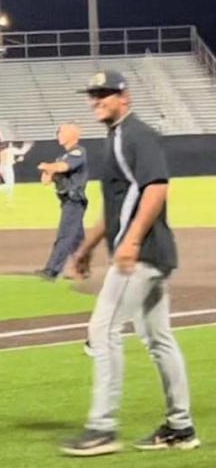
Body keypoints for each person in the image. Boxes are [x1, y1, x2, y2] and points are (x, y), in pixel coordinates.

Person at [60, 70, 200, 456]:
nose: (96, 100)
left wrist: (132, 240)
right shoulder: (116, 138)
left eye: (104, 93)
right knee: (158, 339)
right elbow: (114, 208)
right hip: (152, 255)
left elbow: (157, 187)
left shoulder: (134, 134)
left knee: (102, 330)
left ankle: (102, 428)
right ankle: (181, 427)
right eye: (93, 94)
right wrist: (86, 249)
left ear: (125, 95)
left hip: (140, 255)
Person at [35, 124, 88, 280]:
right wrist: (49, 171)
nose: (58, 135)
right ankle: (82, 270)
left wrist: (49, 167)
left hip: (74, 200)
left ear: (72, 135)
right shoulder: (61, 157)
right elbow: (46, 181)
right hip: (66, 200)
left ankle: (52, 270)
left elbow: (64, 167)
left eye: (62, 132)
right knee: (77, 240)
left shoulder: (78, 152)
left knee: (65, 236)